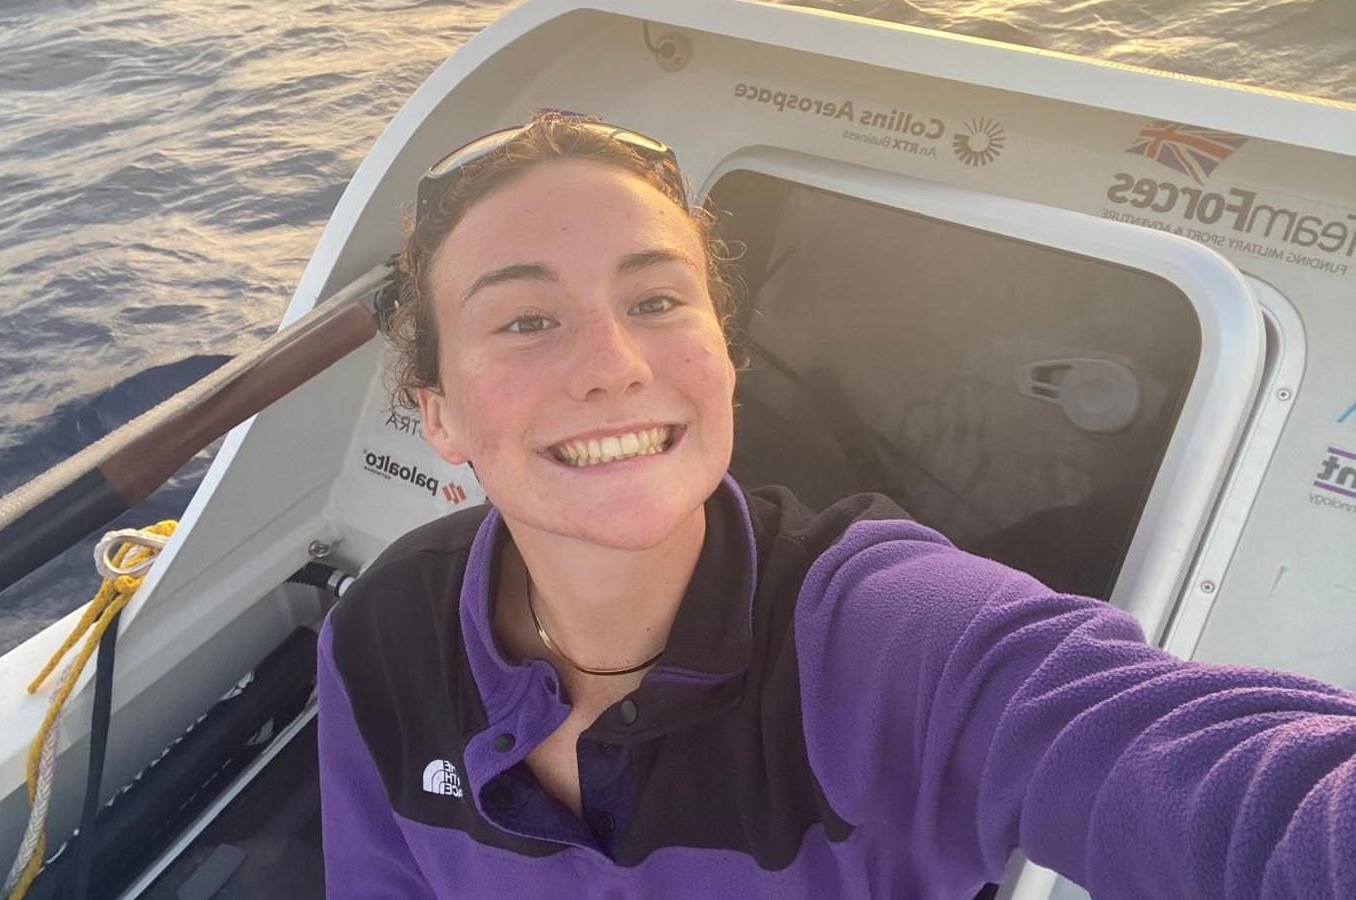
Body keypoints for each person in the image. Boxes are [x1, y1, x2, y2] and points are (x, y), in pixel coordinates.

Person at [316, 113, 1356, 898]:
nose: (614, 365)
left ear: (722, 349)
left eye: (655, 300)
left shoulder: (887, 636)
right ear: (439, 414)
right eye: (528, 318)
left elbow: (1243, 794)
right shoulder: (383, 634)